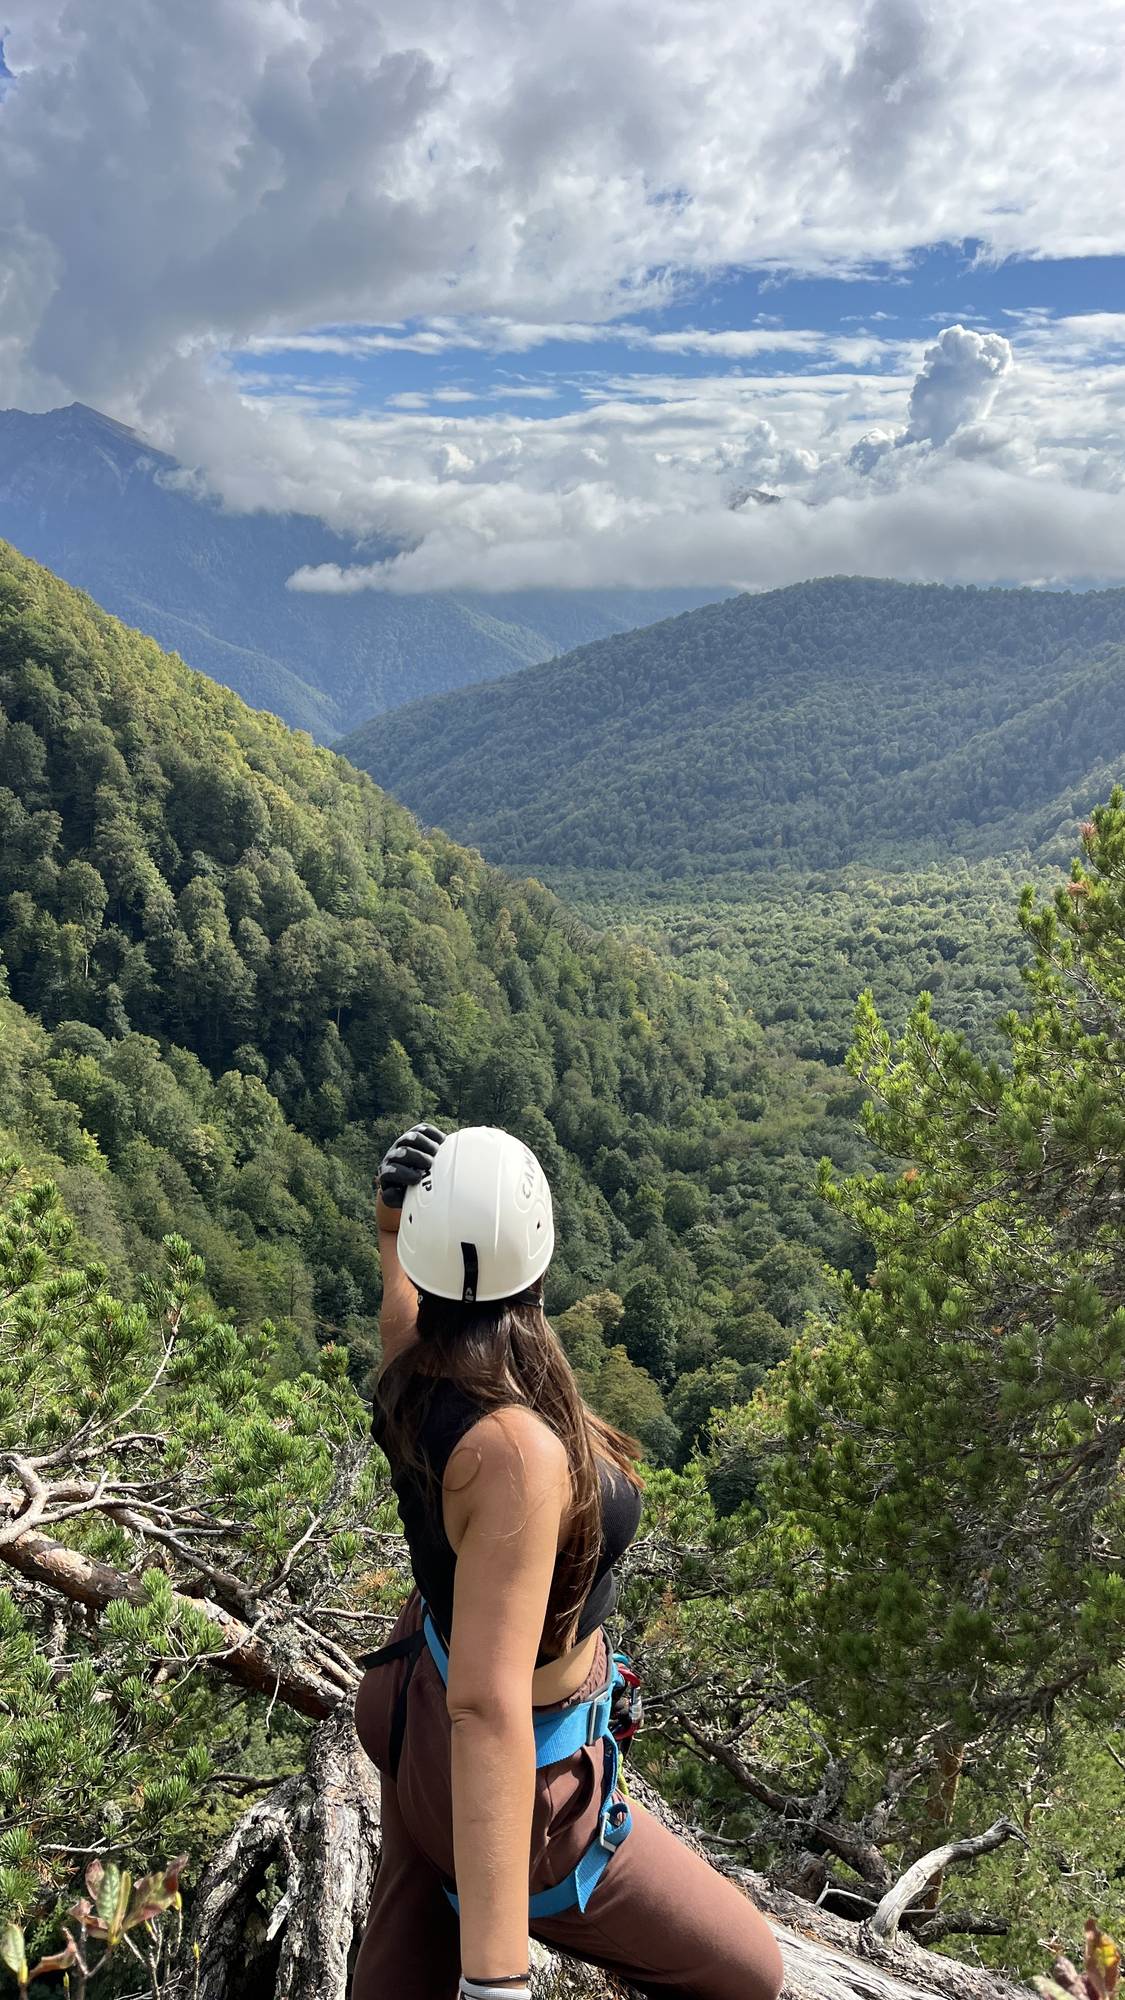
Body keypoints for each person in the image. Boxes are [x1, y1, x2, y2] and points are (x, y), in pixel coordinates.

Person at [351, 1122, 785, 2000]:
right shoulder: (513, 1452)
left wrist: (394, 1230)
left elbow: (402, 1310)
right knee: (748, 1973)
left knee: (410, 1925)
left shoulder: (418, 1372)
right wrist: (496, 1979)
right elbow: (487, 1708)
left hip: (409, 1702)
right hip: (520, 1780)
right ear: (542, 1255)